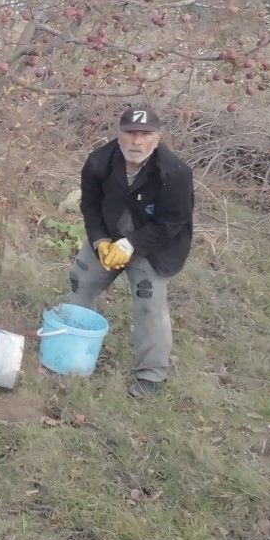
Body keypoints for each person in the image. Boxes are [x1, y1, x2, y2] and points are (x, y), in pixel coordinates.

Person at [66, 105, 195, 399]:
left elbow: (173, 221)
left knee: (150, 306)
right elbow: (90, 206)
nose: (136, 142)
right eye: (130, 133)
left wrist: (132, 243)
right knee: (80, 282)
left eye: (145, 134)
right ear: (119, 134)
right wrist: (99, 241)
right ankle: (76, 347)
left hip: (153, 248)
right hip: (109, 239)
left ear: (157, 138)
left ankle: (151, 374)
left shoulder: (174, 173)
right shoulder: (99, 162)